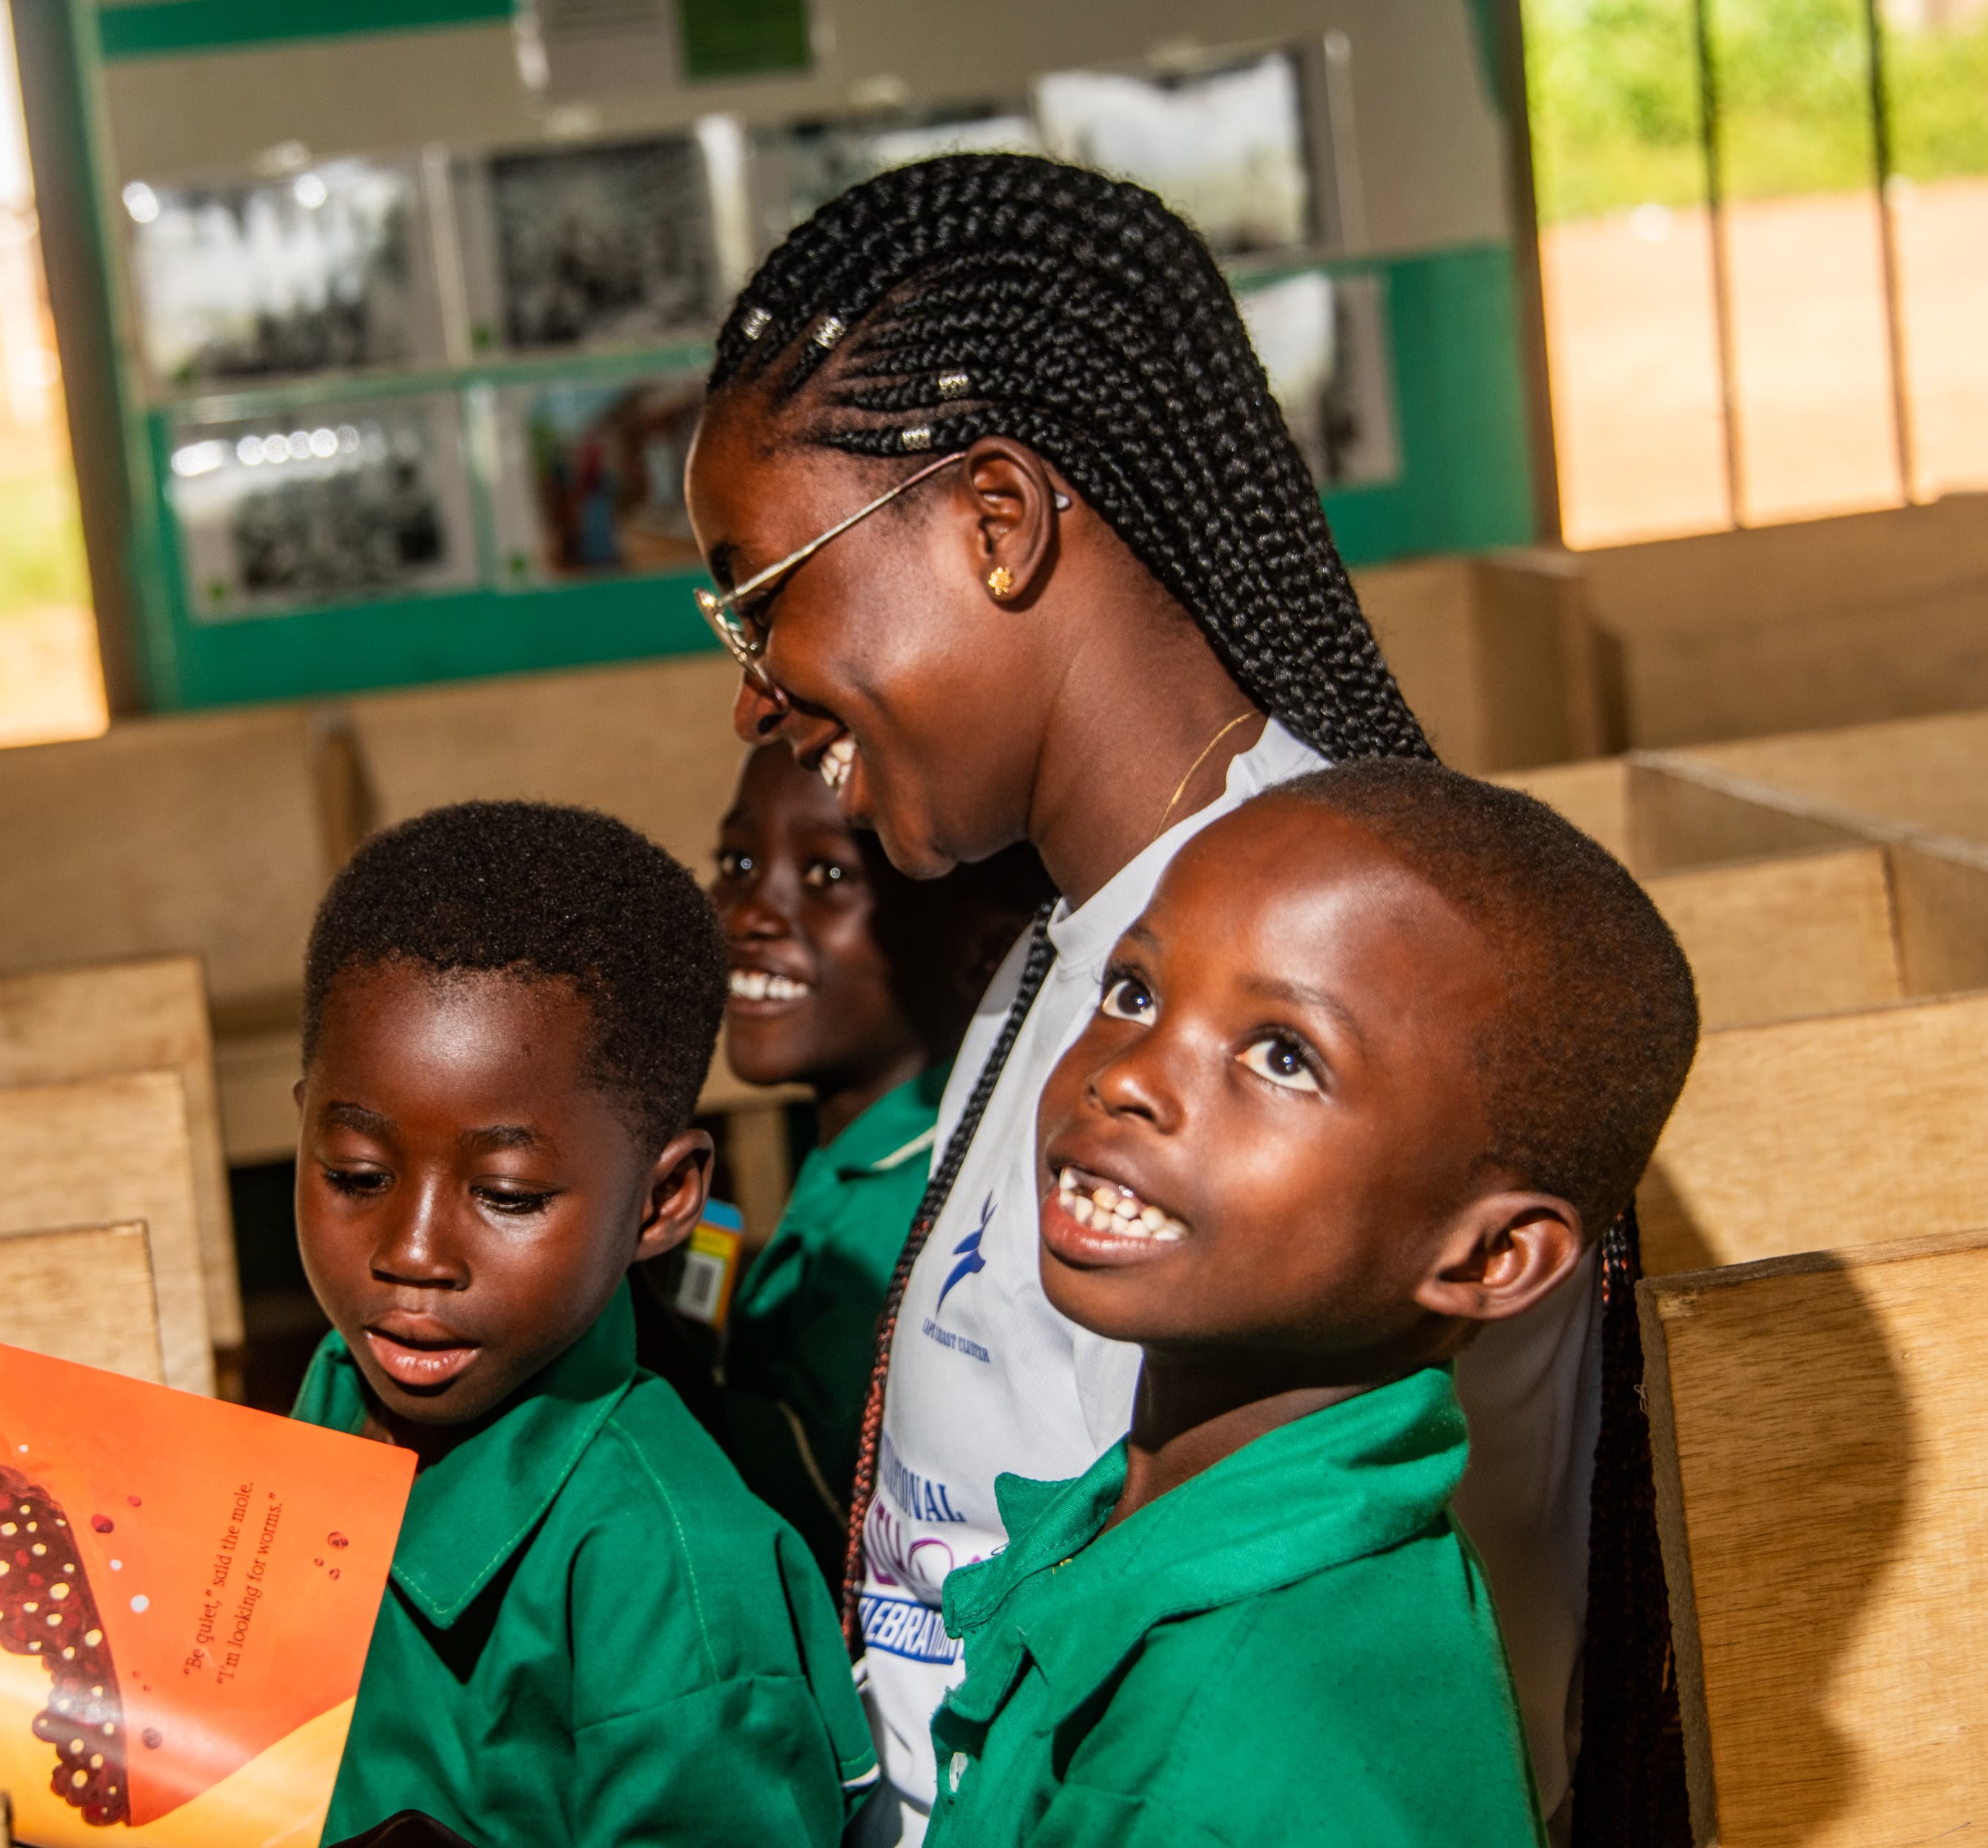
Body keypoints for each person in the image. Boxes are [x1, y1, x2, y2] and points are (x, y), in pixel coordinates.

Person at [682, 151, 1678, 1843]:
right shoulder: (1084, 933)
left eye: (762, 601)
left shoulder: (1315, 984)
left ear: (995, 522)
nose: (750, 695)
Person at [923, 762, 1698, 1847]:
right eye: (1134, 993)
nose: (1129, 1075)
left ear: (1493, 1259)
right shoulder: (1169, 1533)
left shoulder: (1230, 1752)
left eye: (1282, 1055)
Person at [286, 799, 880, 1847]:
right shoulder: (341, 1383)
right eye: (356, 1175)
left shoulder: (671, 1580)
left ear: (661, 1204)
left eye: (508, 1195)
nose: (412, 1251)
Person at [708, 744, 1051, 1583]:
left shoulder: (915, 1212)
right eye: (738, 862)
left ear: (987, 956)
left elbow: (827, 1517)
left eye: (828, 876)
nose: (752, 910)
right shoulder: (862, 1163)